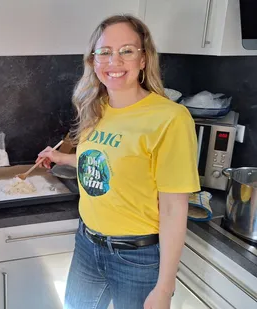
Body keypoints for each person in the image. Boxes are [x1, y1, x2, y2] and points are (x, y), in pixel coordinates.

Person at [37, 15, 200, 309]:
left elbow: (175, 208)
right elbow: (104, 163)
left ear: (143, 59)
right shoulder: (95, 108)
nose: (114, 61)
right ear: (93, 60)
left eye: (126, 50)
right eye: (105, 52)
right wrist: (60, 157)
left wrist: (164, 287)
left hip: (136, 257)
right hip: (87, 244)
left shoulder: (170, 119)